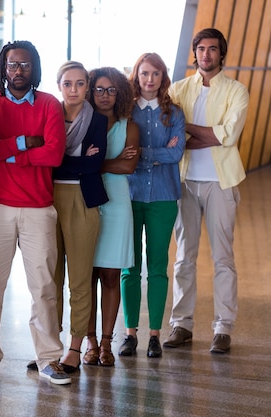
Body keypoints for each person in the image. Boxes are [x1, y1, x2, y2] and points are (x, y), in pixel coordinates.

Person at [0, 41, 70, 386]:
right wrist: (24, 143)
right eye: (12, 65)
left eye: (25, 66)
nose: (18, 72)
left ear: (35, 69)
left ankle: (48, 359)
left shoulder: (49, 104)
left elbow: (54, 153)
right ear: (3, 68)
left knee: (44, 286)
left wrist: (8, 150)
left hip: (39, 209)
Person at [165, 28, 249, 354]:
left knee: (223, 258)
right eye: (201, 49)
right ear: (195, 52)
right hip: (184, 182)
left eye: (213, 49)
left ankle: (223, 328)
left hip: (221, 182)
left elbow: (228, 136)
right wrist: (211, 134)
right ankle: (181, 324)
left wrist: (186, 129)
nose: (206, 55)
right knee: (184, 257)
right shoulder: (177, 90)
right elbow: (174, 133)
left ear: (221, 53)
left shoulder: (236, 91)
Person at [119, 53, 185, 358]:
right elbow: (122, 151)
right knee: (129, 268)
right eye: (144, 73)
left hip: (163, 197)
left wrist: (139, 153)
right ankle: (130, 334)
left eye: (155, 74)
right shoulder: (125, 112)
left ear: (163, 77)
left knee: (158, 268)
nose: (149, 79)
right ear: (136, 75)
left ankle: (155, 335)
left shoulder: (176, 114)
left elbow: (176, 155)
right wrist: (158, 151)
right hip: (129, 197)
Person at [53, 61, 108, 373]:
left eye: (79, 84)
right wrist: (68, 159)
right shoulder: (48, 113)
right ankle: (51, 345)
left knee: (80, 278)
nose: (73, 90)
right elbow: (45, 161)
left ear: (87, 86)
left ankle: (75, 346)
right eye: (67, 84)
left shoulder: (97, 120)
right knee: (50, 278)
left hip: (83, 200)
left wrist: (61, 160)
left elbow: (93, 165)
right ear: (58, 85)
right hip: (46, 200)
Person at [84, 67, 139, 366]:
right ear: (91, 92)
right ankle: (89, 342)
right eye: (99, 90)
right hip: (86, 203)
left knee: (110, 276)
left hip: (117, 205)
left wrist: (94, 164)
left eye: (111, 90)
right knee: (86, 275)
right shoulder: (83, 122)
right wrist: (110, 162)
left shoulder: (128, 126)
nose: (105, 95)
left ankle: (107, 343)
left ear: (120, 93)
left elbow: (128, 168)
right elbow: (73, 163)